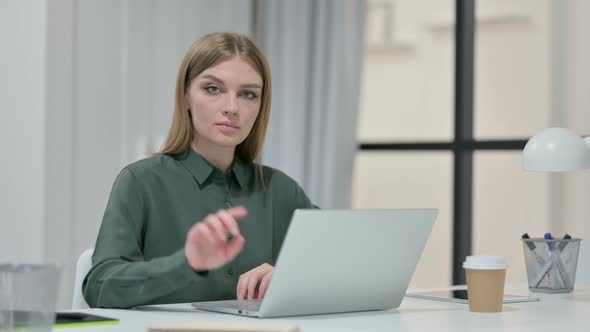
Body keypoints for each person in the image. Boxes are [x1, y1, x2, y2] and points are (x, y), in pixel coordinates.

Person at [82, 32, 315, 309]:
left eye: (248, 94)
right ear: (186, 96)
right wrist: (186, 263)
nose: (232, 108)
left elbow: (339, 267)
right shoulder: (140, 182)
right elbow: (100, 286)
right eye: (213, 89)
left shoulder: (281, 190)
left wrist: (289, 278)